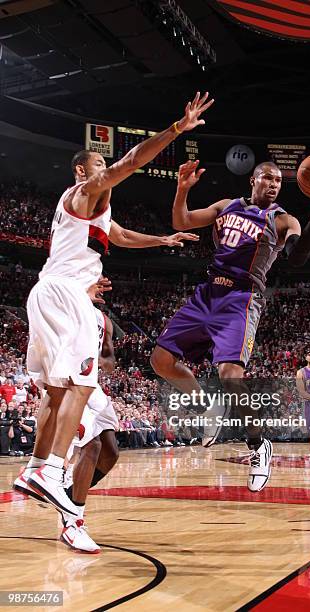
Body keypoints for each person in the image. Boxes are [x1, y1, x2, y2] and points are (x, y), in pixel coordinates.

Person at [13, 92, 212, 518]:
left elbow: (119, 236)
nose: (108, 171)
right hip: (65, 293)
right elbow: (132, 163)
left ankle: (33, 467)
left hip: (50, 291)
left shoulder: (96, 213)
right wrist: (177, 128)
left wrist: (162, 239)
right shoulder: (84, 191)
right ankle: (52, 471)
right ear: (83, 170)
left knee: (56, 390)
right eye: (100, 166)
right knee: (83, 385)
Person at [151, 158, 310, 492]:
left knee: (230, 374)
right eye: (267, 178)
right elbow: (180, 220)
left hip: (242, 298)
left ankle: (258, 446)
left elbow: (297, 258)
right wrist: (182, 190)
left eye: (279, 182)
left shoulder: (284, 220)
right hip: (208, 293)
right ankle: (206, 407)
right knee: (160, 361)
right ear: (253, 179)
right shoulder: (227, 206)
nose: (273, 184)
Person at [60, 306, 118, 553]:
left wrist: (107, 360)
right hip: (69, 382)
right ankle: (73, 521)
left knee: (111, 454)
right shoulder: (67, 305)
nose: (104, 283)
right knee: (91, 445)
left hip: (93, 387)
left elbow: (109, 357)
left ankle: (67, 497)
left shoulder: (105, 321)